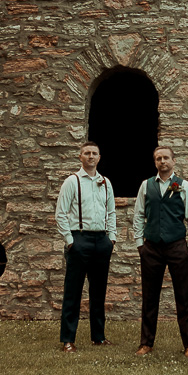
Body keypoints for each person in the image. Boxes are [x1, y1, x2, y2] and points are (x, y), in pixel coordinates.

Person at [132, 144, 188, 358]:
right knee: (149, 297)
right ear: (155, 162)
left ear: (173, 161)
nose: (162, 162)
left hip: (178, 246)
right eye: (158, 158)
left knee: (185, 297)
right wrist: (139, 244)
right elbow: (138, 215)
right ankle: (146, 343)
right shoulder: (146, 185)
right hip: (151, 247)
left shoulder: (184, 186)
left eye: (166, 158)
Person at [54, 141, 117, 351]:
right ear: (80, 157)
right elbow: (61, 213)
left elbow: (111, 212)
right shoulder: (72, 182)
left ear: (99, 158)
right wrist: (69, 240)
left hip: (102, 241)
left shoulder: (106, 182)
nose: (91, 156)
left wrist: (112, 238)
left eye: (94, 153)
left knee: (99, 291)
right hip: (79, 239)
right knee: (73, 291)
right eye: (87, 153)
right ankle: (68, 339)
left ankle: (98, 337)